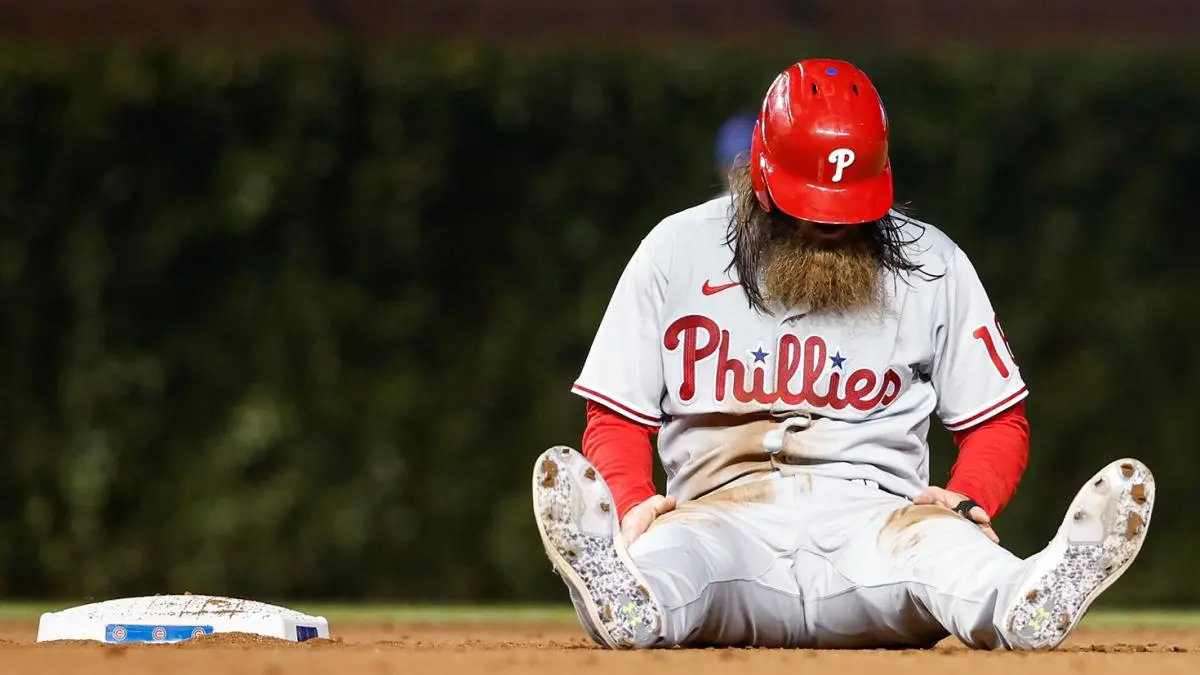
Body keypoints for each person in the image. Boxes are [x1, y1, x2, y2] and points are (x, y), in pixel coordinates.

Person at [530, 58, 1155, 651]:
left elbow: (997, 421)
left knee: (949, 553)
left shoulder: (932, 262)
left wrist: (968, 498)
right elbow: (616, 415)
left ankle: (1028, 598)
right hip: (721, 518)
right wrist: (633, 502)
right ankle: (626, 592)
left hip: (877, 524)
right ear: (759, 172)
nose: (830, 225)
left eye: (847, 206)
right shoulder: (676, 250)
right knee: (670, 561)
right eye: (810, 205)